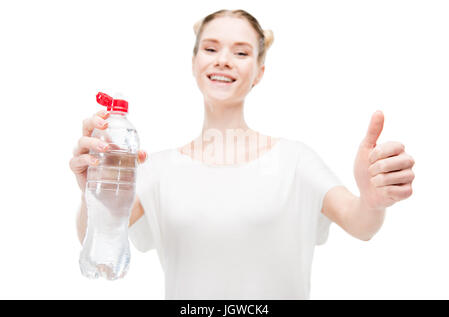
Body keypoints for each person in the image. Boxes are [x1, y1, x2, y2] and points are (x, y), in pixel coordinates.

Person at [69, 9, 415, 299]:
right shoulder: (155, 169)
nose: (223, 61)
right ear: (193, 63)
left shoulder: (296, 161)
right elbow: (94, 239)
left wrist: (372, 200)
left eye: (241, 52)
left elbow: (361, 223)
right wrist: (93, 194)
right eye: (210, 48)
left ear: (259, 73)